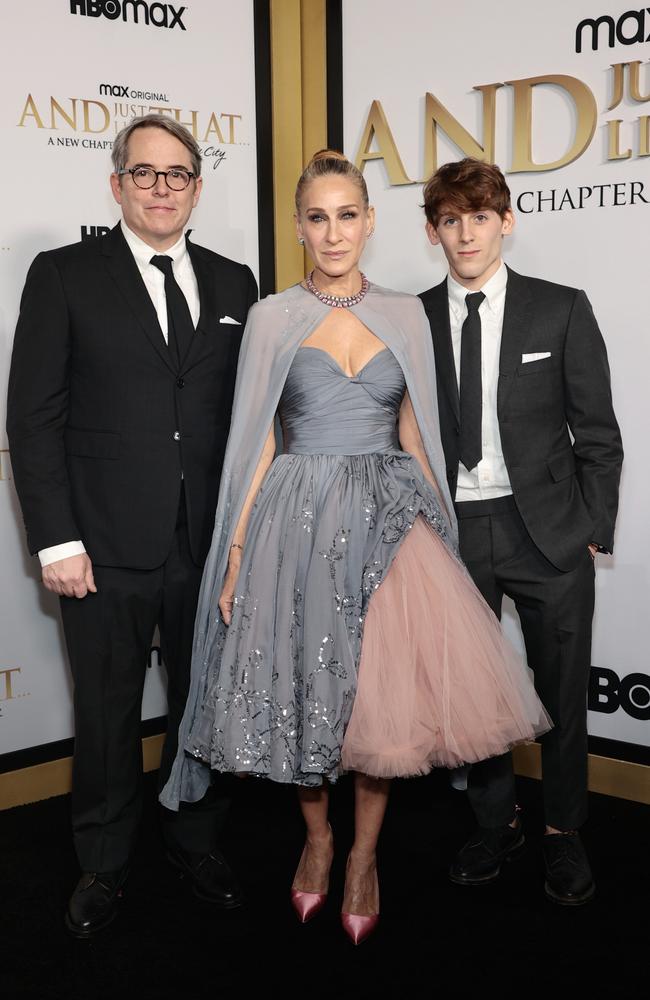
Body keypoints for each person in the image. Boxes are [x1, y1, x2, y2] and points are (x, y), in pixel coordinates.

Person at [161, 149, 550, 944]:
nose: (333, 232)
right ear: (300, 227)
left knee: (382, 702)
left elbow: (416, 431)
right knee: (306, 694)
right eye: (317, 217)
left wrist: (440, 532)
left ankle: (365, 856)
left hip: (389, 518)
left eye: (347, 215)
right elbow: (258, 443)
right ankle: (318, 841)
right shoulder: (272, 316)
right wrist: (235, 554)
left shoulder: (408, 313)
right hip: (291, 521)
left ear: (369, 223)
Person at [7, 114, 258, 937]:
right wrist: (56, 539)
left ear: (196, 186)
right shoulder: (64, 274)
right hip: (101, 550)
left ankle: (195, 838)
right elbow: (33, 417)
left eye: (177, 173)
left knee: (202, 708)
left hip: (208, 547)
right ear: (116, 184)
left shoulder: (235, 283)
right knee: (109, 717)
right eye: (144, 173)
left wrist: (246, 535)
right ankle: (103, 863)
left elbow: (243, 420)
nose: (161, 187)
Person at [418, 158, 623, 905]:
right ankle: (494, 820)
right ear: (432, 230)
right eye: (450, 219)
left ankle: (563, 834)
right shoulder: (410, 319)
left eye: (479, 216)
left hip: (549, 532)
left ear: (506, 221)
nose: (465, 233)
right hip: (453, 532)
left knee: (564, 693)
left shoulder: (560, 308)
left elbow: (598, 431)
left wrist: (593, 527)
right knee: (474, 699)